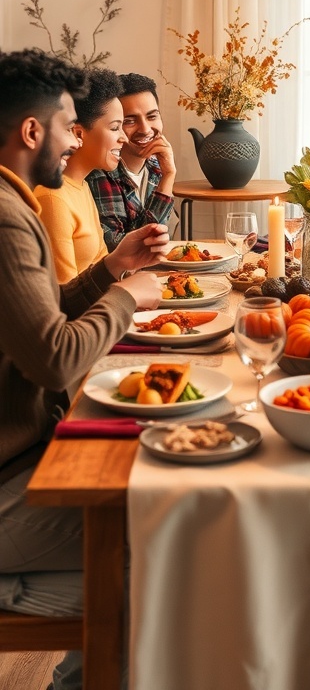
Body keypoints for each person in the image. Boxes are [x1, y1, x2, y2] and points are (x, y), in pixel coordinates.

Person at [0, 49, 167, 690]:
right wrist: (128, 299)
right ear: (32, 132)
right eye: (72, 127)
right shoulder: (6, 217)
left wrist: (111, 270)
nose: (76, 144)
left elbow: (39, 315)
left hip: (24, 460)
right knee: (162, 550)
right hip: (8, 485)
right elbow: (52, 360)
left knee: (154, 509)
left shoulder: (15, 201)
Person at [35, 67, 128, 282]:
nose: (124, 138)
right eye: (115, 128)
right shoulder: (53, 198)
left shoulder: (82, 186)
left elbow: (101, 266)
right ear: (79, 133)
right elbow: (65, 295)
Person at [87, 72, 177, 250]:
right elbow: (120, 247)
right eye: (130, 120)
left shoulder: (158, 164)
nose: (145, 129)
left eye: (152, 117)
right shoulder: (100, 173)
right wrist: (168, 178)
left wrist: (167, 173)